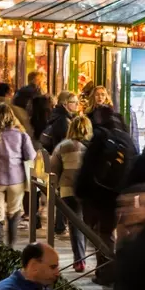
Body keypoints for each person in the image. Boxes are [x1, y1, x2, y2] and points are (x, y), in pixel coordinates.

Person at [75, 104, 136, 262]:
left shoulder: (100, 134)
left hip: (100, 194)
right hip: (121, 192)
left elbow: (88, 164)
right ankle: (116, 265)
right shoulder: (126, 137)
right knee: (113, 231)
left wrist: (80, 190)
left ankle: (106, 268)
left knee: (102, 232)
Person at [0, 102, 35, 247]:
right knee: (14, 211)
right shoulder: (21, 135)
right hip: (16, 179)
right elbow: (30, 155)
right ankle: (11, 245)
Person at [49, 113, 92, 271]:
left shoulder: (63, 146)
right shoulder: (91, 147)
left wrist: (54, 189)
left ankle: (79, 260)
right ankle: (86, 257)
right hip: (87, 191)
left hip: (68, 190)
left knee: (75, 225)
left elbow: (54, 170)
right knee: (86, 224)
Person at [14, 71, 50, 146]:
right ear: (37, 82)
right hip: (31, 132)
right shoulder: (37, 96)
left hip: (18, 129)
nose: (46, 85)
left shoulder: (19, 93)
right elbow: (39, 119)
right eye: (44, 82)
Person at [41, 91, 79, 155]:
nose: (77, 104)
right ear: (64, 104)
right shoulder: (62, 120)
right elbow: (63, 143)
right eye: (74, 102)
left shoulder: (58, 115)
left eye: (77, 102)